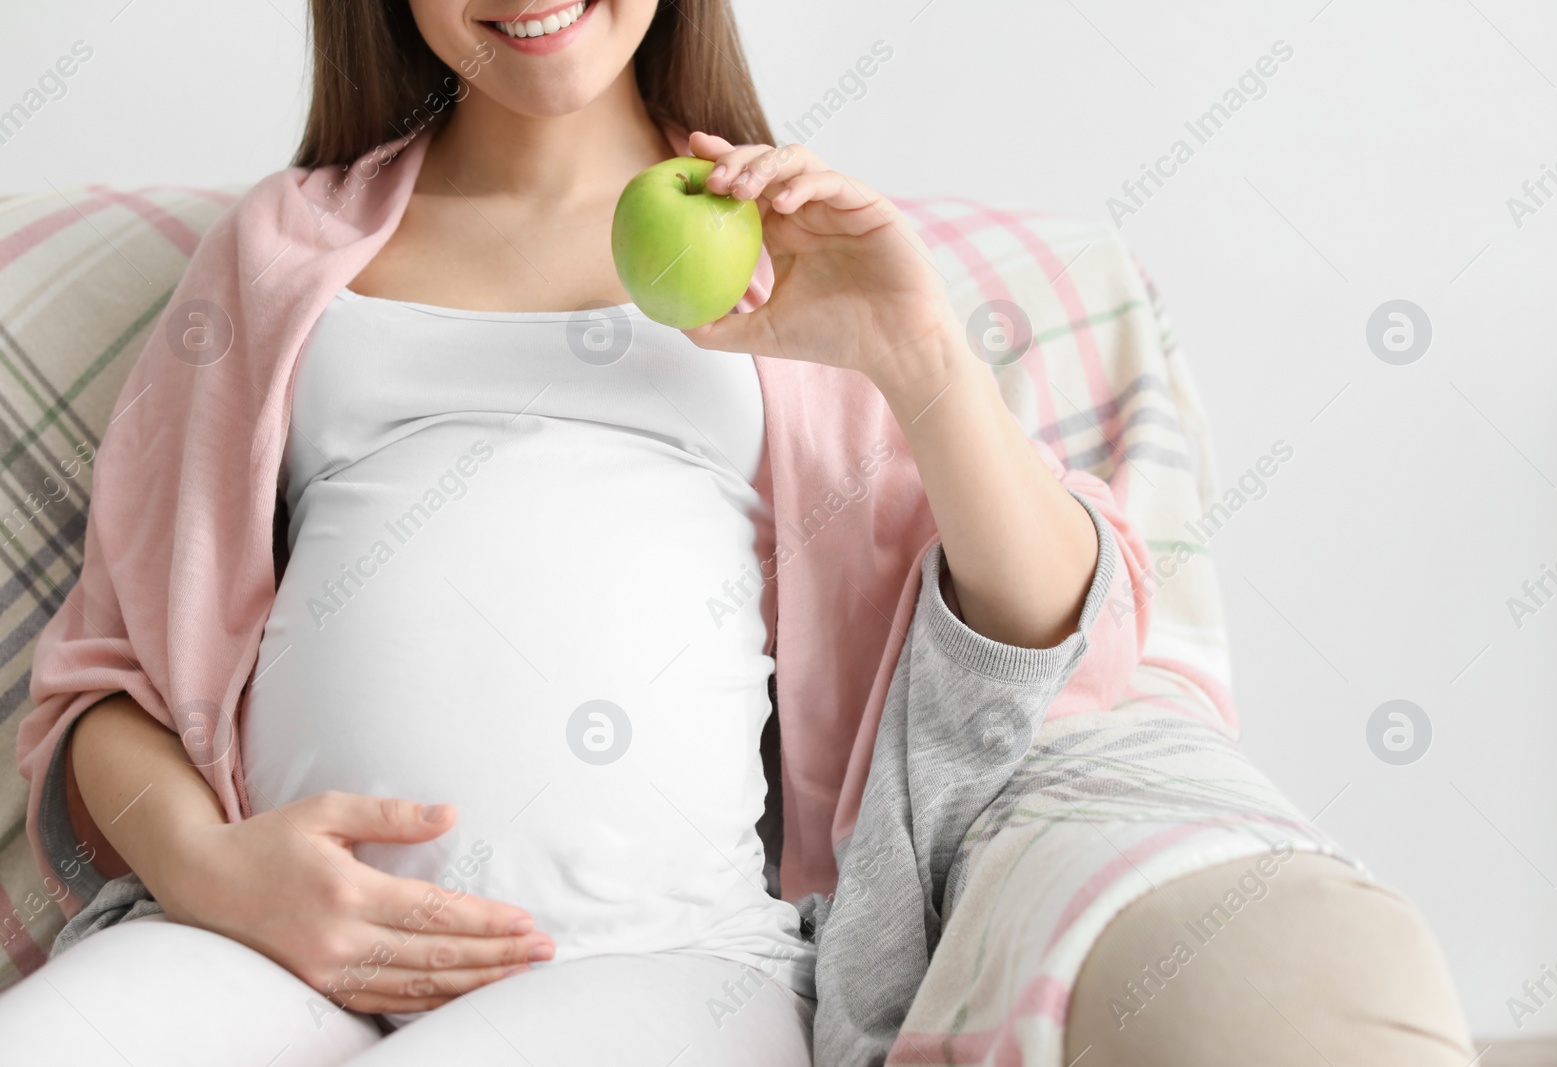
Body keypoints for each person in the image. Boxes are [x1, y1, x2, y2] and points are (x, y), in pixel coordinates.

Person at [2, 2, 1477, 1064]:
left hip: (656, 974)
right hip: (271, 944)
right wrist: (212, 868)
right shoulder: (284, 247)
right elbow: (109, 675)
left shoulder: (792, 257)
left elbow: (1045, 645)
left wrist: (914, 353)